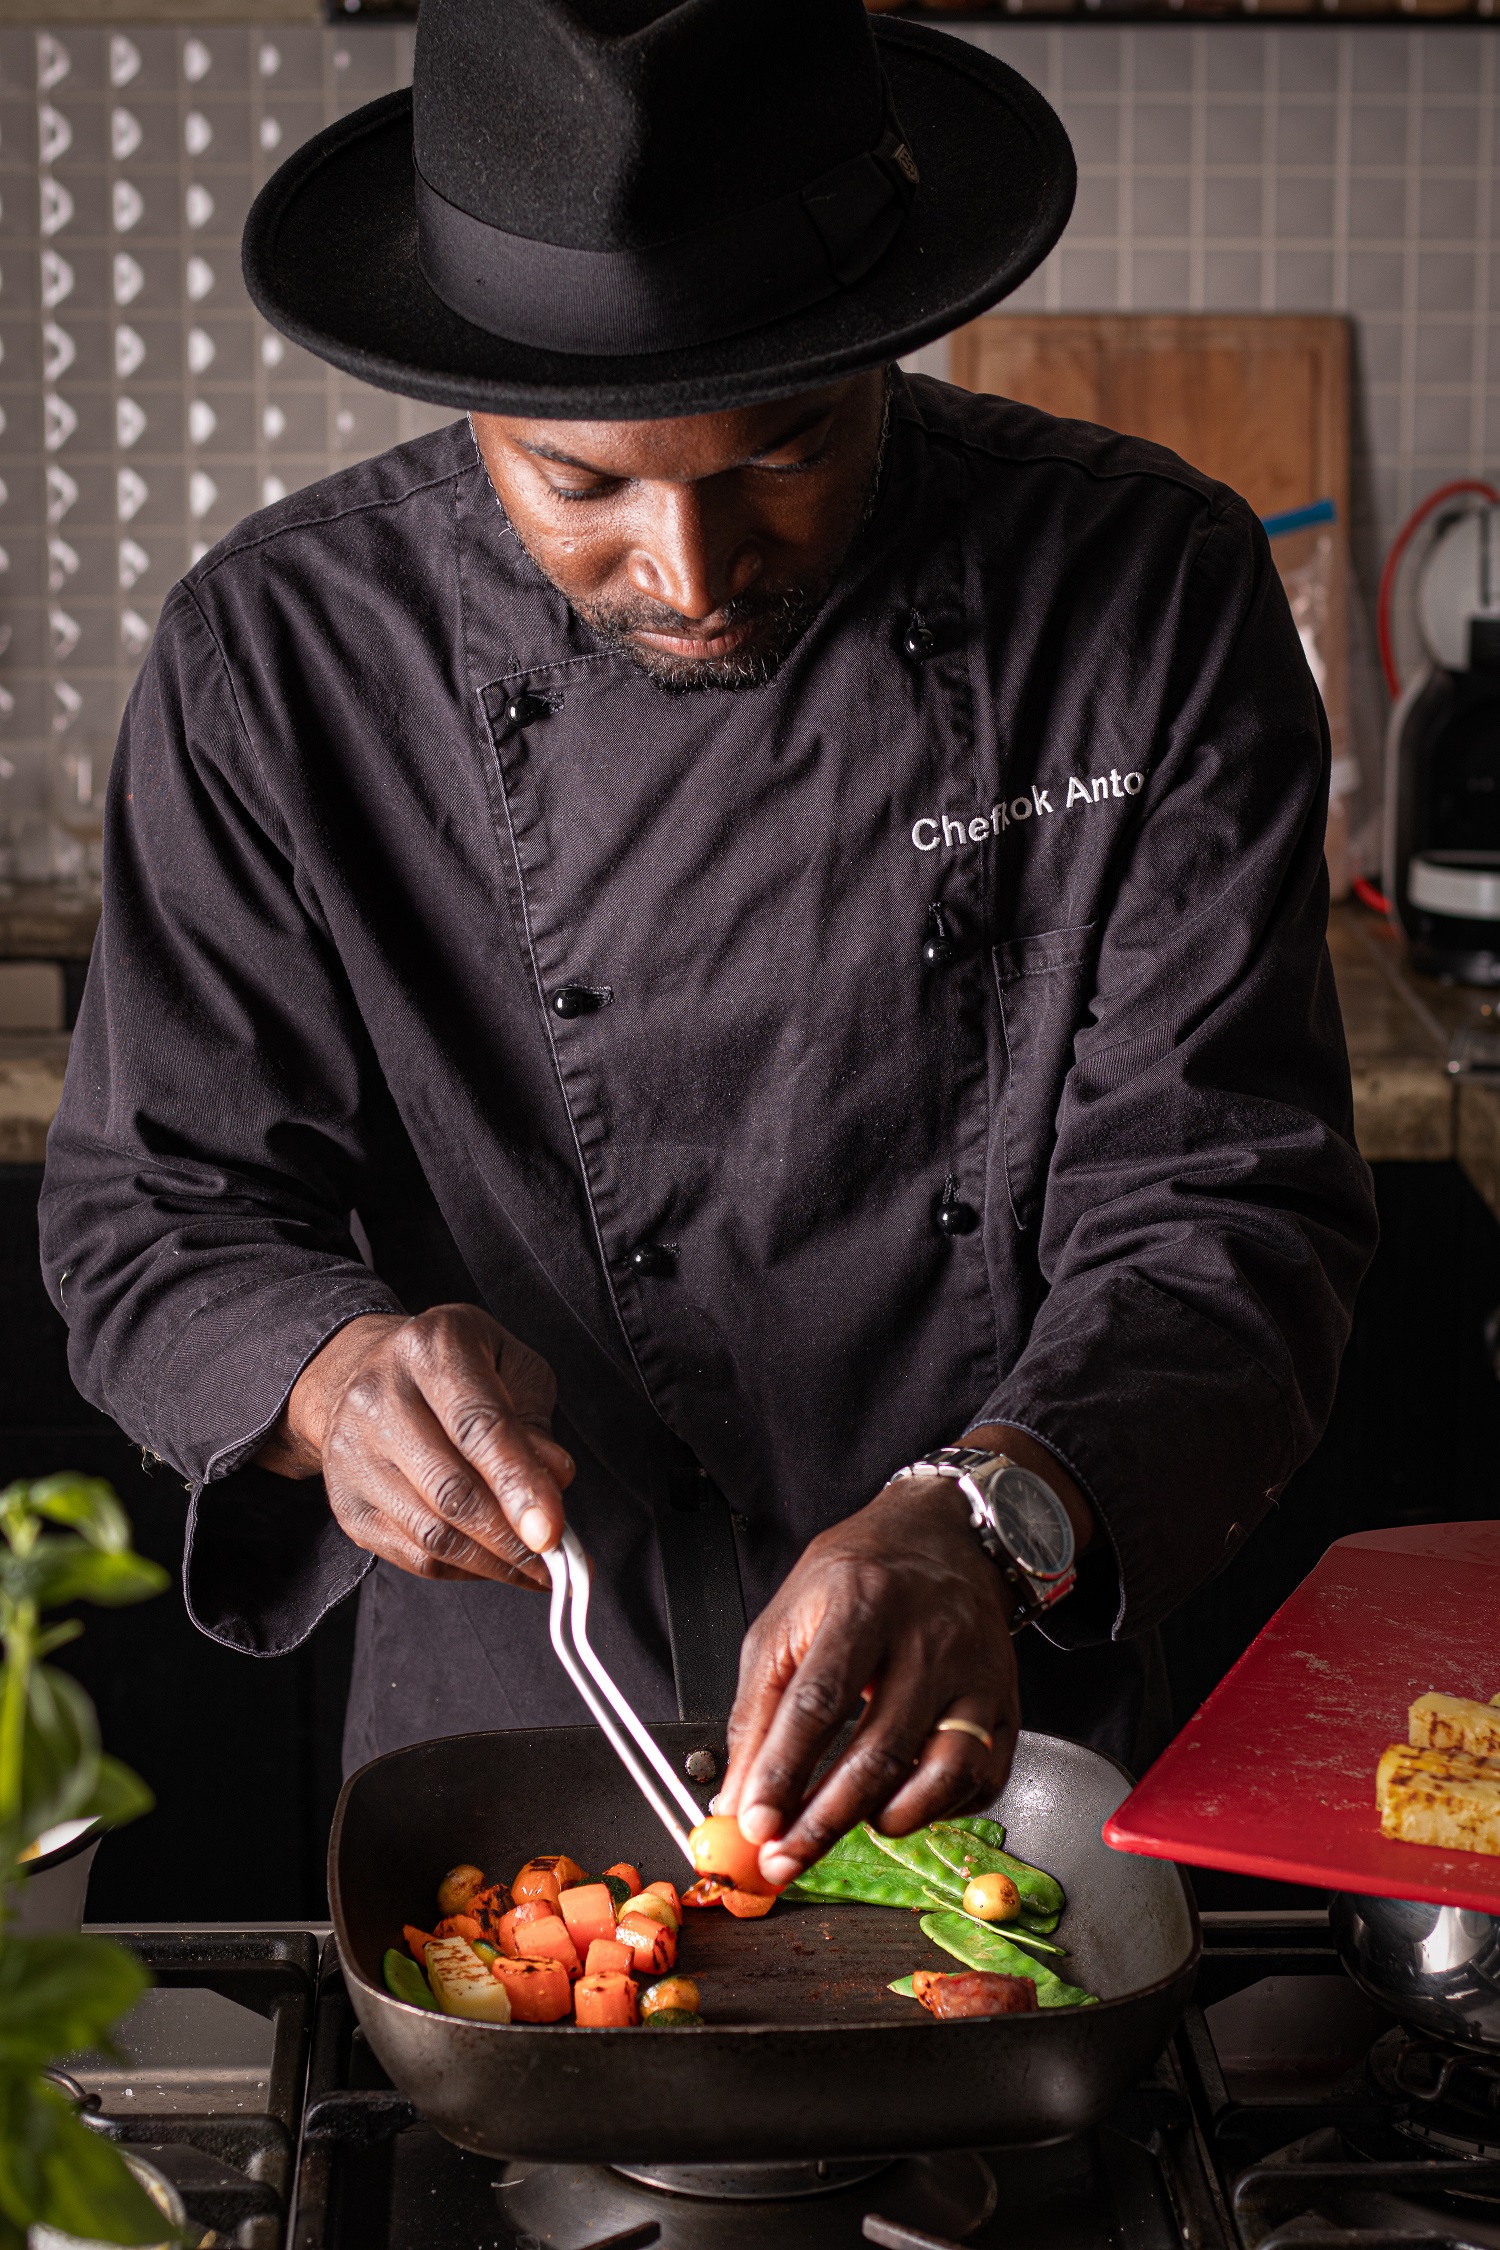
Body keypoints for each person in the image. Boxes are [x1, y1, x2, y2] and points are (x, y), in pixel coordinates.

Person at [39, 0, 1375, 1892]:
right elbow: (152, 1207)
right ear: (464, 399)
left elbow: (1229, 1201)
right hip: (508, 1768)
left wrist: (988, 1520)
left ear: (889, 342)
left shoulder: (1143, 597)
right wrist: (336, 1378)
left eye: (784, 451)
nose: (689, 566)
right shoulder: (276, 662)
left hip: (990, 1719)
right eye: (578, 483)